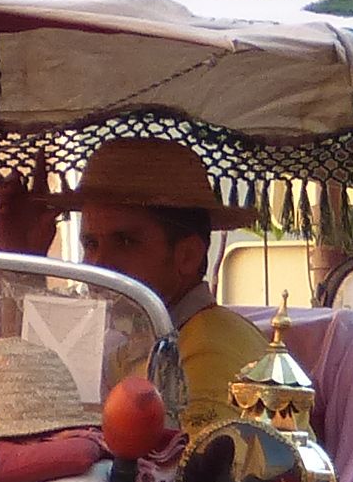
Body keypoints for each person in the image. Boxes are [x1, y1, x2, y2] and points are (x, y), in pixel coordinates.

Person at [23, 135, 271, 435]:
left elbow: (181, 478)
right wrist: (24, 259)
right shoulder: (143, 345)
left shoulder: (204, 352)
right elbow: (35, 401)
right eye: (90, 243)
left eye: (125, 241)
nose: (97, 265)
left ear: (188, 256)